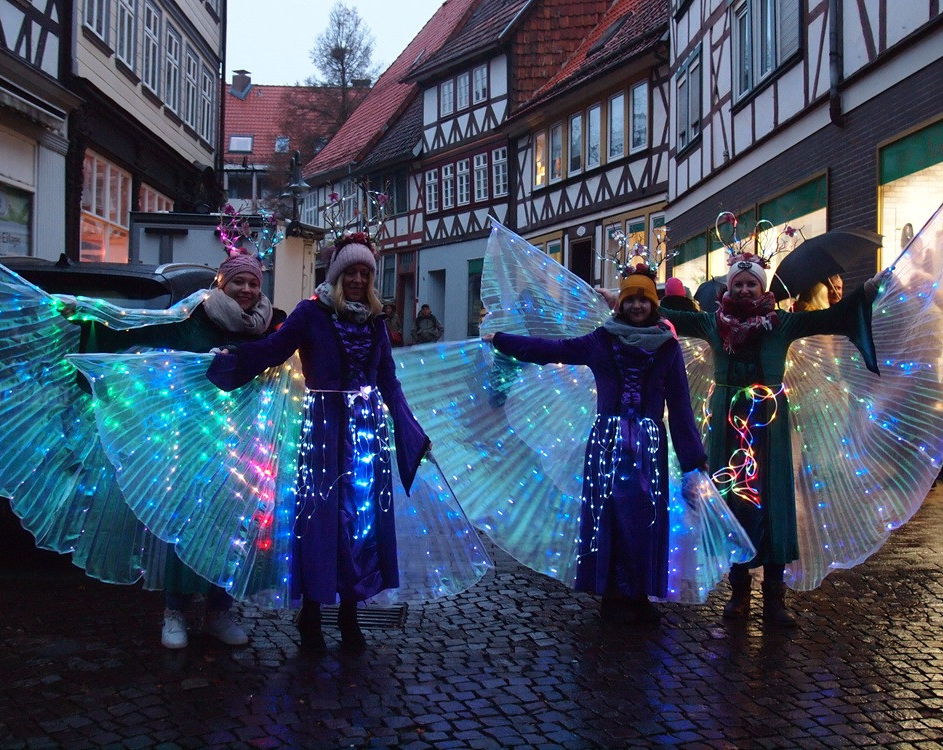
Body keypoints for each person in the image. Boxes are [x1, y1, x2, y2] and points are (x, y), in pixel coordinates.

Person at [206, 232, 431, 653]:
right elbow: (273, 350)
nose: (359, 280)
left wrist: (409, 429)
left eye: (366, 272)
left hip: (366, 437)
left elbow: (388, 381)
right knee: (320, 522)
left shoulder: (377, 322)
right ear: (338, 274)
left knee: (360, 526)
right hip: (324, 433)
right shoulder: (311, 314)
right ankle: (311, 610)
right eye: (352, 271)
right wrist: (225, 364)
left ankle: (350, 613)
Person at [650, 252, 888, 627]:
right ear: (729, 287)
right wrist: (636, 294)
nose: (745, 289)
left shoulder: (781, 324)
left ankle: (774, 599)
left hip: (769, 425)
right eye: (738, 283)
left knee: (775, 501)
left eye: (752, 283)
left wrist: (868, 292)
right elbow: (669, 316)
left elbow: (830, 317)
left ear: (763, 288)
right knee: (733, 503)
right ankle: (739, 592)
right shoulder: (714, 324)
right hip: (728, 427)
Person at [485, 265, 707, 626]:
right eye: (631, 299)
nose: (637, 306)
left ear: (654, 304)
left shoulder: (667, 348)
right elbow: (550, 349)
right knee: (610, 517)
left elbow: (680, 406)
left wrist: (693, 462)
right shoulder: (601, 340)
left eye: (644, 300)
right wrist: (503, 340)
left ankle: (638, 593)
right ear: (621, 303)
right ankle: (612, 592)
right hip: (607, 445)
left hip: (648, 447)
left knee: (646, 520)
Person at [85, 248, 273, 649]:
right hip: (194, 441)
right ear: (221, 282)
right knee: (186, 522)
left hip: (242, 445)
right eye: (238, 280)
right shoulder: (194, 315)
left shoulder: (265, 327)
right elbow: (144, 335)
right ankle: (175, 611)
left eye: (253, 282)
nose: (246, 289)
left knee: (231, 528)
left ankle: (218, 612)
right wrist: (89, 316)